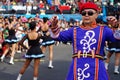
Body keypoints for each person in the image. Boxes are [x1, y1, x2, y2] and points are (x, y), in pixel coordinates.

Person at [49, 2, 118, 80]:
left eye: (90, 13)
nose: (86, 15)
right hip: (76, 69)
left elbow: (117, 38)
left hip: (97, 70)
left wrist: (116, 27)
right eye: (84, 13)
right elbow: (57, 36)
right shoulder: (74, 30)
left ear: (96, 14)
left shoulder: (103, 30)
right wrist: (54, 27)